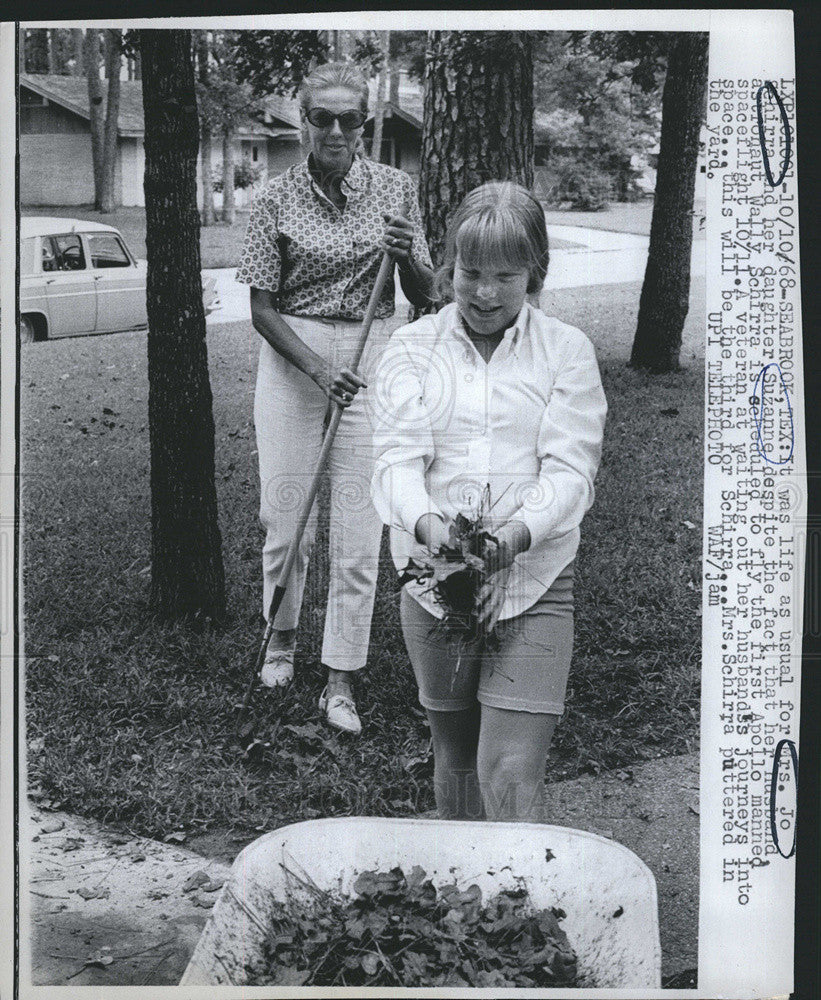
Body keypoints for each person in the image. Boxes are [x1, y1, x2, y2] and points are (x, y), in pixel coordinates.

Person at [371, 182, 607, 820]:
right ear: (447, 265)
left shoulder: (566, 351)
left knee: (507, 769)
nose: (483, 292)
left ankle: (519, 906)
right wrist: (428, 526)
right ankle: (466, 904)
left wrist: (514, 538)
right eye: (469, 272)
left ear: (535, 272)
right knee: (454, 757)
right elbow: (395, 459)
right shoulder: (411, 348)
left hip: (534, 579)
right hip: (434, 582)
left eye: (505, 275)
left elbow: (571, 469)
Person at [236, 61, 434, 735]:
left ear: (365, 124)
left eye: (351, 118)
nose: (337, 130)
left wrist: (407, 255)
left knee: (358, 526)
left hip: (373, 348)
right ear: (303, 121)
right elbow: (261, 308)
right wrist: (319, 370)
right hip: (295, 355)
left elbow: (428, 294)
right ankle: (282, 637)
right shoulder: (272, 198)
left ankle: (341, 677)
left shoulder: (395, 188)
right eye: (322, 116)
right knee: (283, 516)